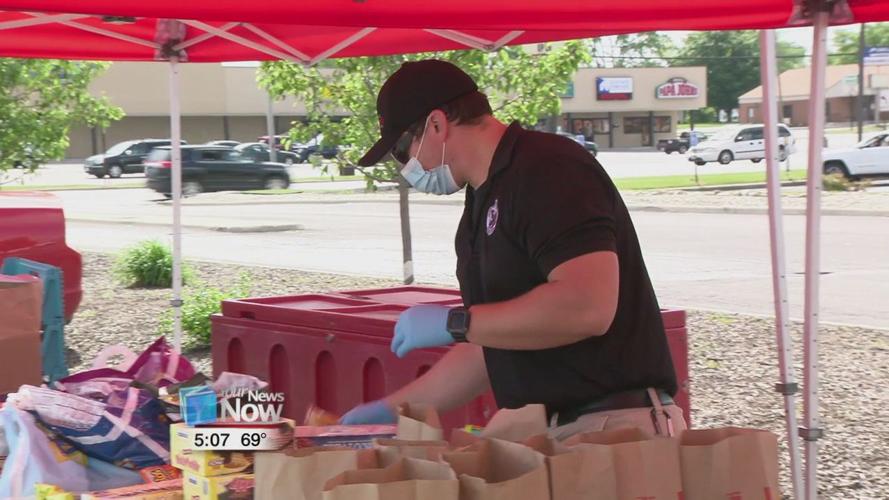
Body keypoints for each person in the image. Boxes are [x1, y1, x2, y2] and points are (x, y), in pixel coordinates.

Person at [341, 59, 685, 439]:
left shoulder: (549, 169)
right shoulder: (478, 208)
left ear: (437, 124)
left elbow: (589, 306)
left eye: (401, 152)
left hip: (613, 427)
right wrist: (391, 410)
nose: (405, 168)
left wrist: (457, 323)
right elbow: (491, 344)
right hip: (547, 431)